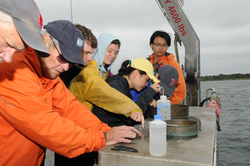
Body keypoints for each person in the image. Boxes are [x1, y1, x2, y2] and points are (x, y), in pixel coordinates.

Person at [0, 20, 141, 166]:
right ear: (45, 40)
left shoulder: (48, 74)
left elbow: (72, 109)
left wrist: (107, 130)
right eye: (63, 58)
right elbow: (47, 126)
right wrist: (102, 138)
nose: (66, 67)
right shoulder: (14, 72)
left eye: (72, 63)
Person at [69, 33, 145, 126]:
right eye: (109, 50)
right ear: (100, 49)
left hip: (86, 124)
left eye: (116, 53)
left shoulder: (103, 73)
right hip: (76, 125)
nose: (112, 55)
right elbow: (102, 91)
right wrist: (131, 108)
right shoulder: (88, 71)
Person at [92, 58, 161, 127]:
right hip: (100, 131)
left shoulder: (123, 87)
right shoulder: (116, 85)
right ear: (135, 73)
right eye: (146, 80)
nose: (146, 84)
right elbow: (131, 118)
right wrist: (148, 94)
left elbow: (134, 117)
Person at [147, 30, 186, 104]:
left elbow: (181, 89)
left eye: (164, 45)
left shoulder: (172, 63)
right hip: (148, 102)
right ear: (151, 45)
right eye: (158, 44)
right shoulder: (146, 62)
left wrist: (167, 103)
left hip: (165, 104)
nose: (161, 48)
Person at [59, 24, 97, 88]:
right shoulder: (56, 70)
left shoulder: (83, 72)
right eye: (86, 53)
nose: (90, 58)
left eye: (91, 53)